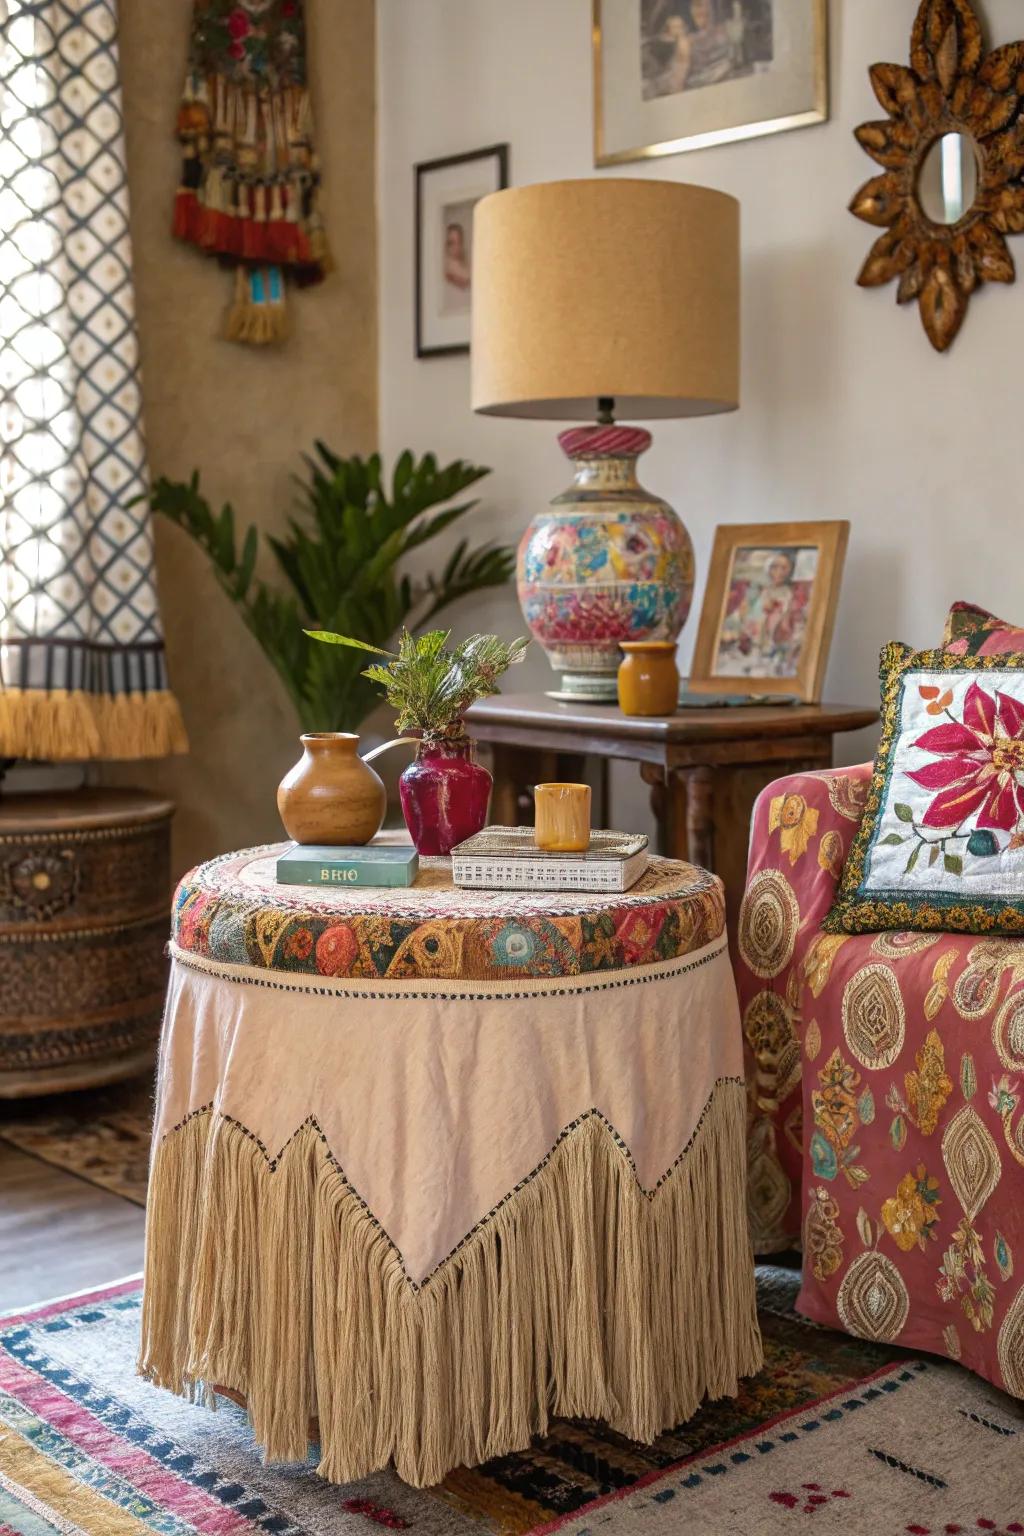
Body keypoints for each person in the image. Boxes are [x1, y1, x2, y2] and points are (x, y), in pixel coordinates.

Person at [444, 222, 471, 293]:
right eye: (452, 243)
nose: (456, 247)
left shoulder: (467, 266)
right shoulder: (447, 269)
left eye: (459, 242)